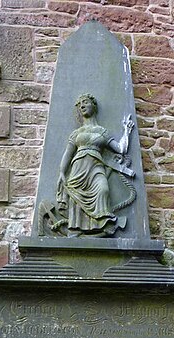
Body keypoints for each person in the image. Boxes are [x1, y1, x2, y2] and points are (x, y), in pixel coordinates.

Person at [56, 94, 134, 237]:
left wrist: (126, 131)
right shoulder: (77, 133)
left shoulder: (102, 132)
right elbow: (68, 154)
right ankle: (76, 229)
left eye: (85, 102)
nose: (82, 106)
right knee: (76, 197)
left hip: (96, 167)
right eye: (80, 105)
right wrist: (62, 172)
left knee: (103, 190)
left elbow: (120, 149)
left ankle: (102, 225)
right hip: (78, 168)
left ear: (94, 105)